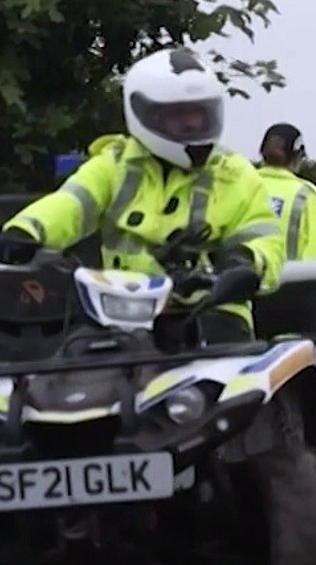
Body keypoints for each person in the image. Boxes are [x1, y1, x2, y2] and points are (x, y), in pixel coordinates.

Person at [0, 46, 284, 343]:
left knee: (220, 367)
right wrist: (25, 230)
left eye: (200, 114)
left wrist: (243, 261)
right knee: (71, 358)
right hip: (122, 312)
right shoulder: (115, 164)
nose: (192, 124)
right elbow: (71, 203)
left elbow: (266, 239)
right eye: (180, 115)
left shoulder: (235, 173)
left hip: (213, 312)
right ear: (148, 115)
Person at [251, 122, 316, 337]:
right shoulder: (305, 196)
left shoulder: (241, 188)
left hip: (241, 304)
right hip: (293, 310)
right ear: (298, 156)